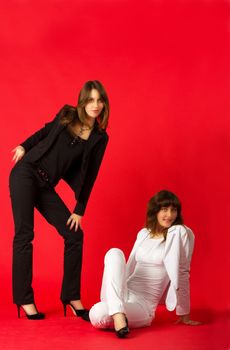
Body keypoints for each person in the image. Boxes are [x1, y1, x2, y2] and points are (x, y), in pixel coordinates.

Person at [9, 80, 109, 320]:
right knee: (25, 234)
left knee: (74, 234)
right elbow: (44, 132)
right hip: (26, 172)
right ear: (82, 102)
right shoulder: (67, 114)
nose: (95, 105)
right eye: (91, 100)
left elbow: (90, 176)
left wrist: (79, 209)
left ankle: (71, 297)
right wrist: (24, 146)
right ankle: (24, 299)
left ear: (104, 103)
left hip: (45, 185)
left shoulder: (99, 138)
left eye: (100, 100)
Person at [89, 190, 201, 338]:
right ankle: (118, 314)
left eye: (174, 210)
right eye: (164, 209)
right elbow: (129, 266)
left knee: (97, 313)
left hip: (143, 305)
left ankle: (116, 313)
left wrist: (184, 313)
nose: (169, 215)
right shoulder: (144, 233)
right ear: (155, 211)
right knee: (114, 252)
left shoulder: (179, 233)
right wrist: (118, 291)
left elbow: (183, 271)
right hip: (122, 292)